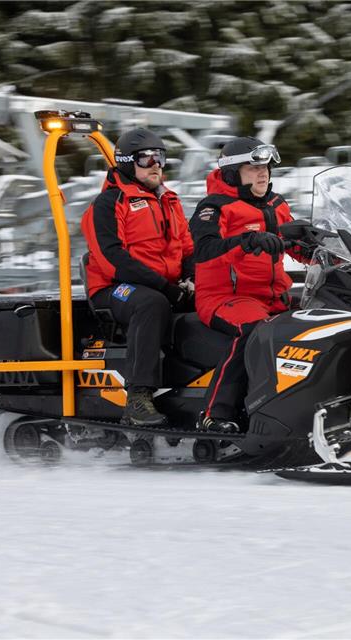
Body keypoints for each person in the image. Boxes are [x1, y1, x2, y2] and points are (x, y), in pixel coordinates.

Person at [190, 136, 306, 433]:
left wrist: (330, 249)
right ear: (232, 173)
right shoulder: (214, 208)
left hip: (273, 297)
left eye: (265, 166)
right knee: (255, 330)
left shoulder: (276, 204)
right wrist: (247, 240)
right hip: (225, 298)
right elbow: (204, 250)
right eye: (253, 167)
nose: (262, 172)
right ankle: (215, 414)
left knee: (324, 320)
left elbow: (295, 243)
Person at [81, 128, 194, 426]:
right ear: (128, 162)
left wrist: (192, 278)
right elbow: (112, 260)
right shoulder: (108, 204)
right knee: (151, 304)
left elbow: (189, 248)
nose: (156, 164)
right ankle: (138, 397)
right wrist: (166, 288)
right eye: (147, 159)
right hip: (114, 288)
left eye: (161, 157)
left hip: (165, 286)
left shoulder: (169, 200)